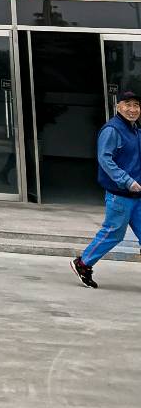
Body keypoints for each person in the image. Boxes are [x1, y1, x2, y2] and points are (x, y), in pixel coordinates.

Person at [71, 88, 141, 289]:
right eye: (128, 105)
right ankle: (83, 263)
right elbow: (105, 160)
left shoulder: (136, 130)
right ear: (118, 106)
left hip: (138, 196)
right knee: (113, 233)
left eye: (136, 105)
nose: (132, 109)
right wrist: (126, 181)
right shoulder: (112, 130)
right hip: (120, 195)